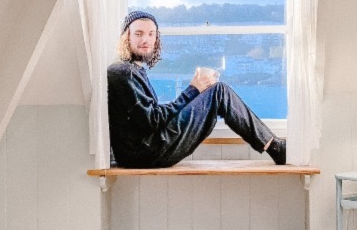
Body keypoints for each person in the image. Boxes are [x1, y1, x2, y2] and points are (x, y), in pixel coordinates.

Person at [107, 11, 286, 168]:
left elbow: (148, 118)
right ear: (126, 37)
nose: (145, 40)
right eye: (138, 34)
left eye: (151, 34)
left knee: (215, 91)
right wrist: (193, 90)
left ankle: (273, 144)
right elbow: (152, 120)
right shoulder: (124, 73)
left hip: (143, 151)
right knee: (219, 92)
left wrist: (197, 91)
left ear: (156, 39)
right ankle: (275, 147)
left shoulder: (131, 70)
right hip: (147, 152)